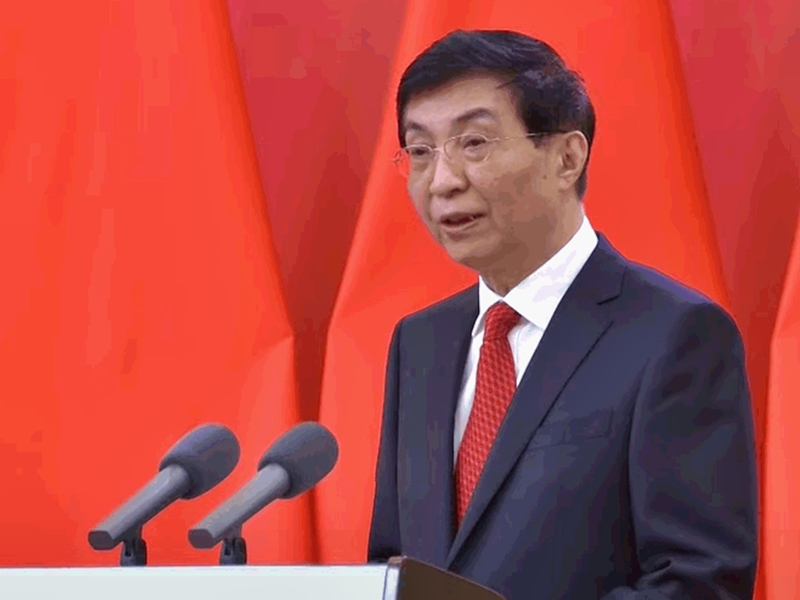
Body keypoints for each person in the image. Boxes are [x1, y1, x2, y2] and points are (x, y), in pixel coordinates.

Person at [366, 30, 757, 600]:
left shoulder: (674, 335)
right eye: (420, 151)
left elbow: (698, 581)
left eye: (474, 143)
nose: (443, 181)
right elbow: (390, 566)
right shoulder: (419, 343)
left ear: (567, 158)